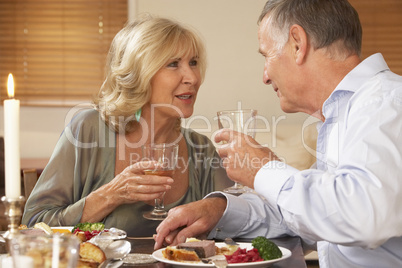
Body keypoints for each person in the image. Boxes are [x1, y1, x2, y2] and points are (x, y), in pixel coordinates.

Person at [154, 0, 402, 267]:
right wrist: (220, 210)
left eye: (266, 55)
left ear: (298, 43)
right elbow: (312, 213)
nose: (265, 76)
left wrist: (265, 168)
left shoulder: (385, 103)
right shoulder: (347, 113)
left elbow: (362, 217)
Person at [21, 15, 232, 237]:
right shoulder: (88, 130)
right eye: (173, 64)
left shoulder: (201, 148)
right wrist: (111, 195)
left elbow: (240, 222)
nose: (192, 77)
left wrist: (217, 208)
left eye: (194, 63)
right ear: (140, 73)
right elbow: (34, 224)